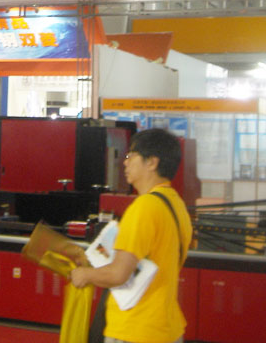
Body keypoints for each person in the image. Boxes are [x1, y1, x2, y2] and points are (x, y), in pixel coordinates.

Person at [70, 129, 192, 343]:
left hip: (135, 329)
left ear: (151, 162)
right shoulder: (176, 205)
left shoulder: (144, 207)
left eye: (131, 156)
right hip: (166, 327)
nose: (125, 163)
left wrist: (85, 275)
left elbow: (119, 274)